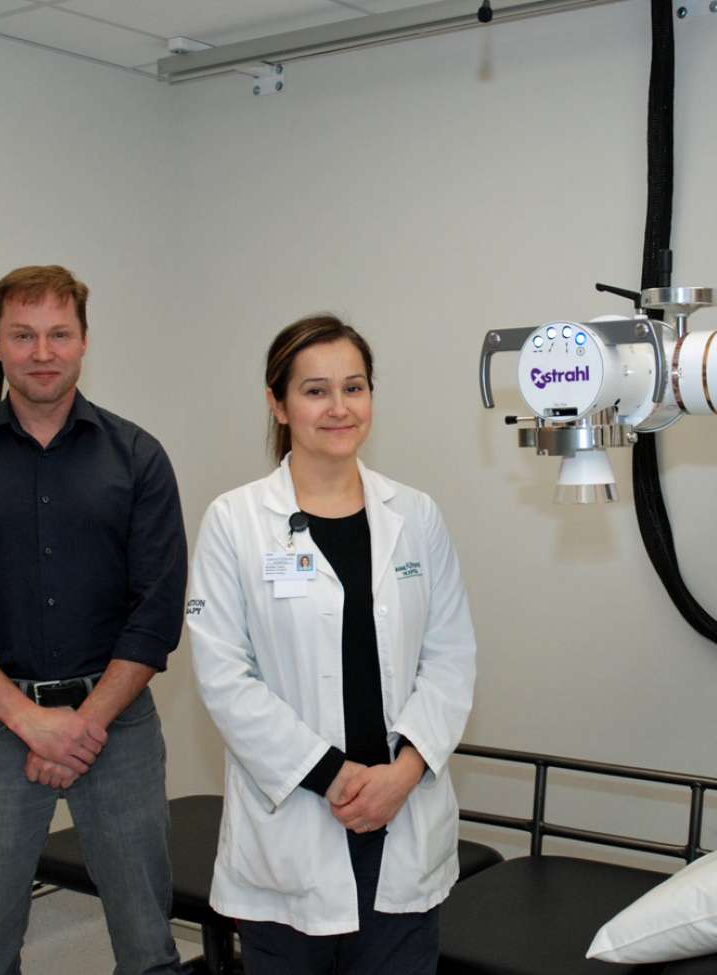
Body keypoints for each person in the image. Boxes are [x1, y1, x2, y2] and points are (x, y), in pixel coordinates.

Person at [0, 265, 188, 975]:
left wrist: (83, 722)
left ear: (84, 341)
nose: (42, 351)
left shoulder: (138, 458)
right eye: (23, 334)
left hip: (116, 725)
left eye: (59, 333)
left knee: (148, 938)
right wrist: (33, 722)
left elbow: (155, 611)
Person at [187, 314, 476, 974]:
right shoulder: (235, 522)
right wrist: (334, 775)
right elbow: (225, 678)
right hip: (297, 818)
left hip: (400, 812)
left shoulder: (415, 515)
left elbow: (452, 656)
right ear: (278, 404)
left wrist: (401, 775)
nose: (339, 407)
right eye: (316, 390)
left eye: (355, 386)